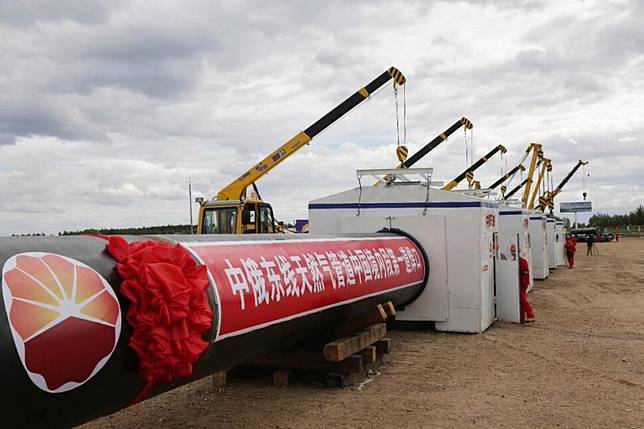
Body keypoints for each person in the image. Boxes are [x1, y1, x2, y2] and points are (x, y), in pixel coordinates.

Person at [512, 244, 535, 323]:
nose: (513, 252)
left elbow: (525, 274)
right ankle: (521, 318)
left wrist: (523, 285)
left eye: (514, 250)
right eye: (512, 250)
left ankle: (530, 315)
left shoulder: (522, 261)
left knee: (522, 300)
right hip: (514, 284)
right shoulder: (512, 261)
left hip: (521, 284)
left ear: (518, 251)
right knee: (519, 301)